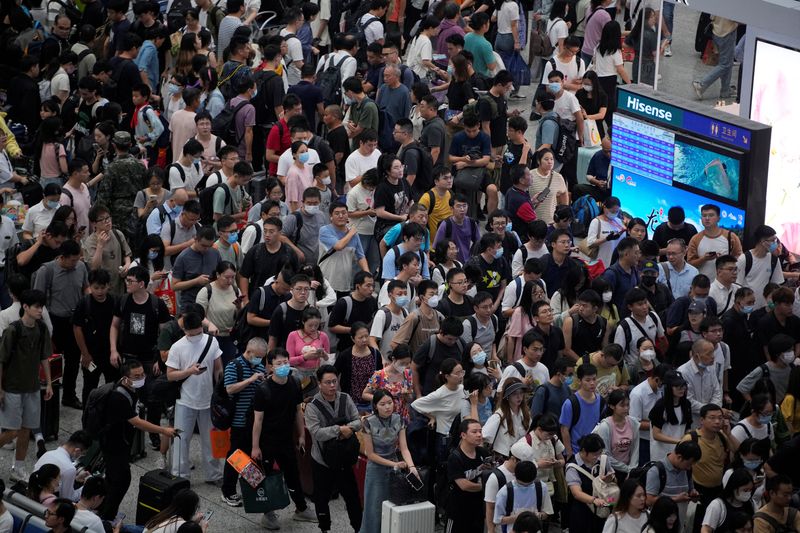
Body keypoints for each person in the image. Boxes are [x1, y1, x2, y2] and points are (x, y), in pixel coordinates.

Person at [99, 360, 177, 519]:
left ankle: (102, 509)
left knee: (112, 480)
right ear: (125, 377)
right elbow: (136, 421)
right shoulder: (118, 396)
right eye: (136, 376)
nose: (141, 378)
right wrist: (163, 430)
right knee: (121, 481)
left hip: (121, 442)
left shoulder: (131, 388)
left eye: (142, 374)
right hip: (114, 445)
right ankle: (107, 518)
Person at [250, 348, 317, 528]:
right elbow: (258, 420)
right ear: (270, 366)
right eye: (278, 363)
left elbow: (297, 411)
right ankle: (268, 513)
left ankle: (301, 509)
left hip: (286, 438)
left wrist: (301, 434)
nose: (283, 366)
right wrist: (255, 447)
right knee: (266, 477)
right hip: (267, 441)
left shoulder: (294, 383)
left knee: (293, 474)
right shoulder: (263, 390)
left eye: (286, 362)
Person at [0, 289, 53, 482]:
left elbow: (44, 357)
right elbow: (1, 361)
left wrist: (48, 383)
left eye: (42, 306)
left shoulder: (41, 329)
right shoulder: (13, 330)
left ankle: (18, 468)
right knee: (12, 431)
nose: (41, 310)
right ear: (25, 307)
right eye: (37, 307)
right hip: (13, 387)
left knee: (26, 429)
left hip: (32, 387)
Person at [305, 365, 363, 532]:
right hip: (322, 462)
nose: (332, 386)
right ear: (319, 383)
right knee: (322, 499)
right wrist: (339, 430)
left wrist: (348, 429)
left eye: (334, 381)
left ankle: (358, 528)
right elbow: (316, 432)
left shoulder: (345, 398)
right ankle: (325, 528)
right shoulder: (312, 406)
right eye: (328, 382)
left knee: (352, 498)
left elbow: (358, 421)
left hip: (344, 459)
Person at [359, 389, 416, 533]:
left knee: (393, 506)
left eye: (390, 403)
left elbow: (404, 448)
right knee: (374, 509)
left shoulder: (399, 419)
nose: (387, 407)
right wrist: (394, 464)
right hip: (376, 469)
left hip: (395, 467)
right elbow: (370, 454)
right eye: (382, 404)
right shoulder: (368, 422)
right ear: (375, 406)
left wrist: (412, 466)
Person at [219, 338, 266, 508]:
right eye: (258, 356)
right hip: (239, 419)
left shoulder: (259, 367)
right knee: (236, 455)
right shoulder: (234, 365)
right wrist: (250, 380)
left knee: (250, 454)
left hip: (255, 421)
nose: (260, 360)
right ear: (249, 351)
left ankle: (253, 486)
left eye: (262, 357)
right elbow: (230, 388)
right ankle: (228, 491)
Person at [446, 418, 490, 533]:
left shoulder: (483, 453)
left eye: (480, 431)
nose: (479, 435)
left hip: (478, 509)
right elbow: (464, 485)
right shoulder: (455, 457)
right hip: (458, 510)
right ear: (463, 435)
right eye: (474, 432)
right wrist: (486, 487)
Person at [565, 433, 615, 533]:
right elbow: (576, 493)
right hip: (582, 510)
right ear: (584, 451)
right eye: (595, 454)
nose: (598, 456)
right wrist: (593, 500)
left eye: (600, 452)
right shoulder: (573, 467)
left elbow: (614, 481)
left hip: (602, 508)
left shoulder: (603, 460)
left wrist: (610, 479)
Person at [644, 440, 702, 526]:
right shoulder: (657, 471)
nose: (689, 468)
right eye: (689, 464)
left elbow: (690, 490)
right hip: (660, 526)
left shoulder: (686, 471)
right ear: (679, 457)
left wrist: (693, 494)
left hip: (680, 524)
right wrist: (676, 499)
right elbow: (649, 500)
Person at [687, 204, 743, 281]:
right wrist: (704, 259)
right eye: (704, 215)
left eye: (711, 215)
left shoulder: (731, 237)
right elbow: (689, 264)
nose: (707, 218)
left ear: (718, 218)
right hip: (702, 286)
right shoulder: (695, 239)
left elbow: (740, 260)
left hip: (725, 284)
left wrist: (724, 261)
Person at [34, 430, 92, 503]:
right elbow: (68, 498)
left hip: (34, 496)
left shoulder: (47, 454)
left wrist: (75, 479)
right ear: (77, 451)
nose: (80, 456)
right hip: (47, 504)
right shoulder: (69, 468)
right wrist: (86, 487)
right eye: (82, 454)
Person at [560, 363, 605, 457]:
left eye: (594, 379)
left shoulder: (601, 401)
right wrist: (569, 453)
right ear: (579, 381)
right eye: (587, 380)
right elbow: (564, 430)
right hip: (577, 452)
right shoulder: (570, 403)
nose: (592, 383)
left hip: (596, 452)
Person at [736, 226, 784, 310]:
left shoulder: (774, 260)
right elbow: (737, 286)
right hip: (747, 308)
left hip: (765, 309)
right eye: (772, 240)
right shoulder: (744, 259)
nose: (775, 244)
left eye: (775, 240)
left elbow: (776, 285)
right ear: (763, 241)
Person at [692, 17, 738, 101]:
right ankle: (701, 85)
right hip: (727, 32)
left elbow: (711, 16)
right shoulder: (734, 4)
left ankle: (725, 91)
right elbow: (737, 18)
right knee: (725, 64)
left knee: (727, 61)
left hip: (716, 30)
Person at [700, 468, 756, 533]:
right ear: (734, 488)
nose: (748, 493)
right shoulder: (717, 505)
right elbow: (706, 529)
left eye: (750, 490)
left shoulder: (751, 504)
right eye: (745, 490)